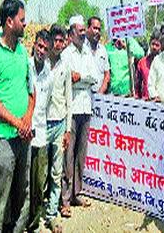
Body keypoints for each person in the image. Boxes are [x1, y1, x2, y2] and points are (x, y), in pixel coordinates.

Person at [0, 0, 35, 232]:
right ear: (10, 21)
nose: (25, 23)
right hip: (2, 137)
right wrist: (16, 122)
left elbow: (31, 92)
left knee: (23, 193)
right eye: (22, 20)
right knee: (0, 197)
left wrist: (27, 120)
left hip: (24, 136)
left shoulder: (23, 52)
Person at [61, 15, 95, 217]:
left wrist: (80, 77)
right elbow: (67, 79)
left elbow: (93, 77)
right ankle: (65, 199)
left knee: (81, 155)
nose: (83, 34)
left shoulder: (88, 53)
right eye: (80, 31)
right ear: (71, 33)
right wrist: (80, 79)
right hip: (72, 109)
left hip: (86, 107)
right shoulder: (66, 54)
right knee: (68, 156)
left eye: (84, 31)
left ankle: (76, 193)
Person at [46, 24, 72, 231]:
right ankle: (35, 212)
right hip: (40, 124)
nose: (58, 44)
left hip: (59, 122)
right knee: (38, 174)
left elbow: (68, 98)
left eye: (62, 40)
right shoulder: (40, 62)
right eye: (55, 40)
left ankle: (51, 214)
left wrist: (67, 129)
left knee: (56, 172)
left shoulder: (65, 65)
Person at [27, 29, 53, 233]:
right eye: (40, 46)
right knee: (22, 182)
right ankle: (19, 221)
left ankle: (34, 223)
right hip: (24, 132)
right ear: (34, 45)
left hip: (41, 134)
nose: (42, 51)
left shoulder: (49, 74)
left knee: (38, 182)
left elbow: (48, 103)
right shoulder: (24, 66)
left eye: (46, 48)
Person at [85, 16, 110, 93]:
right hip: (84, 96)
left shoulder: (103, 50)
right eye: (95, 28)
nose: (97, 32)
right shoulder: (82, 48)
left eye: (99, 29)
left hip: (100, 95)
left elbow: (107, 74)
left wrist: (100, 92)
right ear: (88, 29)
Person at [135, 29, 162, 99]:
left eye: (157, 45)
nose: (154, 47)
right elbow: (137, 85)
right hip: (145, 103)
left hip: (160, 102)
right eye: (153, 44)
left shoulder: (163, 63)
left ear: (161, 46)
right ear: (149, 43)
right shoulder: (142, 62)